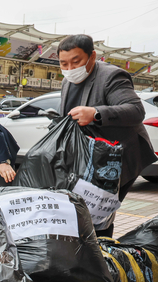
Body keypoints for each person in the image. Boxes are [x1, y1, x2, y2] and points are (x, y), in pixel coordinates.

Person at [58, 34, 157, 237]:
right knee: (79, 210)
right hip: (89, 157)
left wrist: (95, 114)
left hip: (119, 156)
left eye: (76, 62)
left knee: (99, 213)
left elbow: (136, 110)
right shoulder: (66, 82)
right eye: (63, 63)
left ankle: (103, 255)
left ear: (92, 56)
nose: (69, 69)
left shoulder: (112, 76)